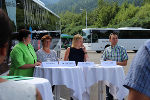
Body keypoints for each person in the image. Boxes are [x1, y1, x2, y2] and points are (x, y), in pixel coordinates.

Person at [0, 9, 42, 100]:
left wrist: (37, 62)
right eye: (29, 37)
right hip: (19, 79)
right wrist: (34, 64)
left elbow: (33, 58)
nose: (31, 39)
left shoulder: (29, 46)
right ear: (24, 38)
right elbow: (20, 65)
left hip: (30, 77)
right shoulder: (17, 48)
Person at [102, 33, 128, 100]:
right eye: (113, 38)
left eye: (116, 38)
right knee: (109, 95)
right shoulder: (106, 50)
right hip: (108, 75)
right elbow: (102, 61)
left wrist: (114, 63)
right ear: (110, 40)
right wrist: (106, 62)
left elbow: (125, 63)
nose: (115, 40)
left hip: (119, 75)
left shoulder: (122, 49)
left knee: (120, 94)